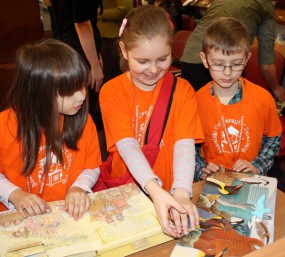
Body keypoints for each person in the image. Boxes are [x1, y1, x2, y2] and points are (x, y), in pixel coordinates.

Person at [99, 5, 204, 238]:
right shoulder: (112, 91)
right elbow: (127, 146)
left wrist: (181, 194)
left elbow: (184, 145)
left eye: (163, 59)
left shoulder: (183, 90)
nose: (154, 69)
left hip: (172, 187)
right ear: (124, 51)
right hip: (127, 195)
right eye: (143, 61)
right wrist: (156, 192)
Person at [0, 39, 102, 221]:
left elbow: (92, 165)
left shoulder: (83, 120)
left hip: (67, 215)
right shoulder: (4, 125)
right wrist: (14, 194)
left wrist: (80, 186)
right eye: (70, 91)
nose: (82, 96)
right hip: (18, 217)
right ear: (39, 92)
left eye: (82, 86)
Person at [194, 17, 282, 181]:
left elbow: (273, 139)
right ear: (205, 60)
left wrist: (258, 165)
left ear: (247, 59)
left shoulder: (263, 98)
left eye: (235, 64)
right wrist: (201, 169)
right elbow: (189, 146)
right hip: (214, 181)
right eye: (219, 64)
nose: (227, 73)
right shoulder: (196, 101)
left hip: (252, 180)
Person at [180, 0, 285, 101]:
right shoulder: (266, 7)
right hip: (211, 58)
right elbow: (266, 64)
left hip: (191, 54)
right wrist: (276, 88)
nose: (227, 73)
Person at [97, 0, 133, 84]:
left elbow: (124, 9)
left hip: (113, 37)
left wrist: (99, 13)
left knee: (111, 78)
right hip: (102, 36)